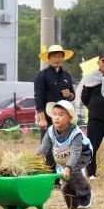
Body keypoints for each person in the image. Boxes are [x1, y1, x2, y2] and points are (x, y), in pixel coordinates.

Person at [37, 100, 93, 209]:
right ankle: (73, 205)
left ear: (69, 118)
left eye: (61, 115)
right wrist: (33, 158)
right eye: (54, 114)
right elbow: (43, 149)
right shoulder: (50, 131)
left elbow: (76, 153)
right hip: (64, 157)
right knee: (65, 183)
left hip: (83, 153)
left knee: (73, 172)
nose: (56, 118)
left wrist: (68, 168)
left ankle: (86, 197)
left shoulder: (75, 133)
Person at [34, 44, 76, 174]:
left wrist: (69, 95)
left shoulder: (67, 76)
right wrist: (41, 119)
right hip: (48, 115)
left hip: (65, 117)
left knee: (64, 146)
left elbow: (72, 96)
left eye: (59, 56)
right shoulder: (42, 75)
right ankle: (50, 176)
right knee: (48, 147)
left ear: (63, 58)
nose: (56, 59)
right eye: (53, 56)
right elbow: (38, 98)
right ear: (48, 59)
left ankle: (63, 174)